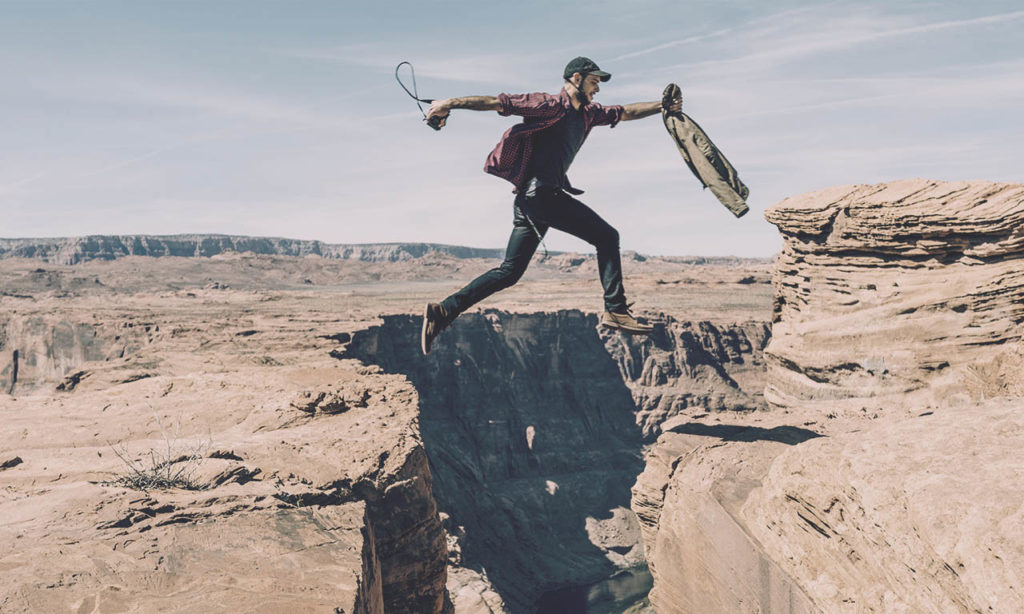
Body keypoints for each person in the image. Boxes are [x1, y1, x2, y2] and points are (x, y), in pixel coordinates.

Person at [420, 56, 682, 355]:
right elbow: (496, 103)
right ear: (576, 79)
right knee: (607, 237)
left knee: (509, 272)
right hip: (540, 196)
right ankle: (616, 309)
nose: (597, 89)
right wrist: (448, 103)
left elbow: (625, 112)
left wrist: (662, 106)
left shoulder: (589, 114)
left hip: (531, 202)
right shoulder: (548, 105)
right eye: (594, 82)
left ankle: (442, 312)